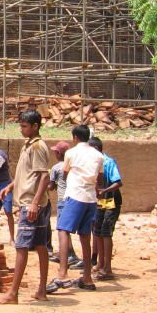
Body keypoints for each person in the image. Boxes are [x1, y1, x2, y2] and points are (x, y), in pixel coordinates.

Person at [0, 110, 51, 304]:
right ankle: (41, 290)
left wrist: (34, 202)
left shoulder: (37, 147)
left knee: (22, 247)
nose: (21, 129)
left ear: (35, 126)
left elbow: (44, 176)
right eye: (21, 125)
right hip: (35, 203)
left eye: (25, 126)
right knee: (41, 245)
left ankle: (13, 293)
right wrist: (11, 186)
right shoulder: (28, 145)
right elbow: (26, 173)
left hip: (31, 204)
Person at [48, 125, 104, 294]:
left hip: (75, 195)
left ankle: (63, 273)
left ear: (75, 137)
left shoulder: (71, 153)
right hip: (90, 199)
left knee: (63, 230)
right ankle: (87, 276)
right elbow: (99, 178)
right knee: (85, 236)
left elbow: (65, 174)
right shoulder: (98, 155)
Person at [88, 137, 122, 280]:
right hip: (101, 200)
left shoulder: (108, 162)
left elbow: (118, 182)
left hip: (111, 200)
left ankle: (107, 268)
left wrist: (104, 190)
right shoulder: (94, 163)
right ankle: (100, 264)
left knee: (106, 232)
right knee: (98, 232)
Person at [46, 141, 79, 265]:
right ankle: (65, 253)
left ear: (59, 153)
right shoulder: (72, 164)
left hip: (62, 200)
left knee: (62, 229)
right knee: (66, 229)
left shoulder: (56, 168)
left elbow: (51, 186)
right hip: (73, 198)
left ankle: (68, 254)